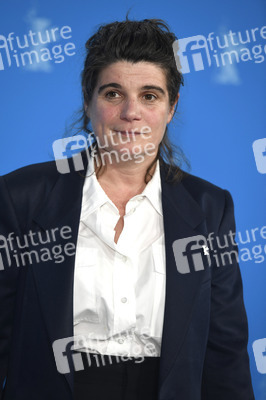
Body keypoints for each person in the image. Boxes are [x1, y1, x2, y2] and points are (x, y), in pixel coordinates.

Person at [0, 18, 255, 400]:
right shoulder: (20, 196)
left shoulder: (210, 208)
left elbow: (225, 351)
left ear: (171, 107)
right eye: (113, 94)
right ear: (88, 101)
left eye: (150, 95)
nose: (131, 112)